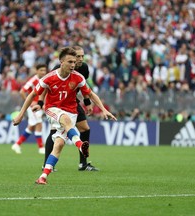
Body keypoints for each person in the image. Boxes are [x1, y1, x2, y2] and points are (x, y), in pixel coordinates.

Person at [12, 47, 117, 185]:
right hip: (53, 109)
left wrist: (103, 109)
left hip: (71, 110)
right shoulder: (50, 77)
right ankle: (80, 145)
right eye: (70, 62)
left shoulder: (78, 77)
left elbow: (90, 94)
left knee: (59, 144)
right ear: (61, 61)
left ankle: (43, 176)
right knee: (65, 120)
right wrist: (22, 114)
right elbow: (33, 93)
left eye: (75, 61)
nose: (74, 64)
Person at [43, 46, 99, 171]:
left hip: (73, 102)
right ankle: (46, 165)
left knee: (85, 129)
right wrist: (41, 102)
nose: (80, 59)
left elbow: (84, 88)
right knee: (55, 132)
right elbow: (45, 86)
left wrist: (87, 102)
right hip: (57, 104)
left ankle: (83, 163)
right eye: (78, 56)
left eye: (82, 56)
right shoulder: (59, 69)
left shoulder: (84, 68)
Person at [11, 64, 47, 154]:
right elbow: (22, 91)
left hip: (39, 106)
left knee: (31, 127)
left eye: (44, 70)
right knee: (39, 124)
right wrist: (30, 103)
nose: (43, 72)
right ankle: (41, 148)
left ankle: (17, 144)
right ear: (37, 71)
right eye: (41, 70)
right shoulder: (33, 80)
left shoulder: (44, 80)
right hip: (33, 108)